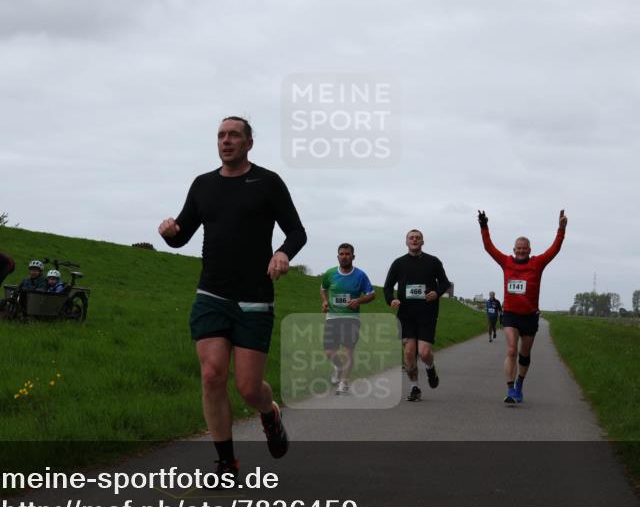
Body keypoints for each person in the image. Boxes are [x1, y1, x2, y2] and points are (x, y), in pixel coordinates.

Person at [159, 116, 307, 480]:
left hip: (254, 297)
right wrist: (169, 233)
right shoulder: (203, 185)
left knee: (248, 388)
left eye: (234, 136)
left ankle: (269, 413)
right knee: (211, 375)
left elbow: (297, 232)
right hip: (211, 292)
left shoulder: (268, 183)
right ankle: (227, 464)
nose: (226, 141)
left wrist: (283, 253)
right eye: (221, 135)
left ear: (248, 144)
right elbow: (182, 235)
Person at [478, 209, 567, 403]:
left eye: (524, 248)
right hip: (510, 314)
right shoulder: (506, 262)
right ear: (513, 249)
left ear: (529, 249)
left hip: (529, 316)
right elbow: (489, 247)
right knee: (511, 350)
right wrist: (484, 226)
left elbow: (555, 249)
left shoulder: (538, 263)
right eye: (518, 248)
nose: (521, 251)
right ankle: (510, 390)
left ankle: (519, 383)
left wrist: (561, 229)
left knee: (524, 354)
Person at [383, 230, 451, 402]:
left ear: (422, 242)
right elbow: (387, 287)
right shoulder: (398, 263)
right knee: (409, 352)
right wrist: (391, 300)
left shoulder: (433, 261)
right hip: (406, 314)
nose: (414, 240)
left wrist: (436, 292)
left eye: (417, 238)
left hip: (427, 313)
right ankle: (415, 388)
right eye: (411, 238)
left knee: (424, 352)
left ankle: (430, 367)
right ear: (406, 242)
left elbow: (444, 282)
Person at [320, 243, 376, 395]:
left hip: (352, 319)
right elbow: (323, 289)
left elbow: (372, 294)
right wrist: (325, 301)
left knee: (347, 352)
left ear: (353, 256)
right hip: (332, 318)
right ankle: (338, 368)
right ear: (338, 256)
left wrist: (358, 301)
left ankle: (344, 383)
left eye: (347, 254)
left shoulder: (360, 275)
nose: (344, 256)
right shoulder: (330, 273)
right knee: (329, 352)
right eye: (342, 254)